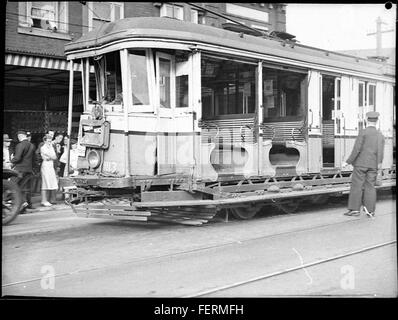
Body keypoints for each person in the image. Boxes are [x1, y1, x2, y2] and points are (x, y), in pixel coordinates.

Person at [342, 111, 385, 218]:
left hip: (361, 164)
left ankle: (354, 210)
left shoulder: (363, 132)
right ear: (377, 121)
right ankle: (370, 211)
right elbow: (381, 152)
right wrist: (378, 165)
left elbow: (357, 149)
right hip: (373, 165)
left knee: (357, 186)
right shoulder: (380, 135)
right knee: (370, 186)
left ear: (366, 120)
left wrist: (347, 161)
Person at [10, 130, 36, 210]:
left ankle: (21, 203)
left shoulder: (20, 145)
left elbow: (17, 158)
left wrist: (11, 160)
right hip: (28, 170)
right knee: (21, 188)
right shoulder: (32, 145)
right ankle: (23, 203)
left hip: (20, 169)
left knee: (11, 185)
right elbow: (34, 159)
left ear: (19, 136)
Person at [40, 134, 59, 206]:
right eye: (48, 141)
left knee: (52, 182)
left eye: (50, 141)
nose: (49, 143)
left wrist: (50, 157)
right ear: (44, 141)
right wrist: (51, 157)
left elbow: (55, 157)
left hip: (51, 166)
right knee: (45, 183)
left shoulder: (51, 147)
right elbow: (49, 156)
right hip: (46, 166)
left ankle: (50, 199)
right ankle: (44, 200)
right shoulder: (43, 148)